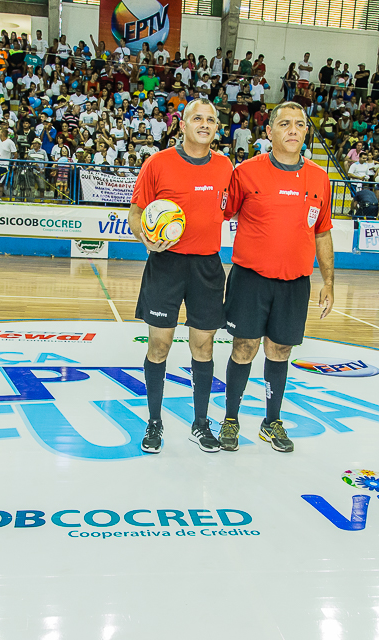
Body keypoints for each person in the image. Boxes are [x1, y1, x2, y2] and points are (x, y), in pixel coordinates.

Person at [218, 101, 335, 454]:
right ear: (269, 132)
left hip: (295, 282)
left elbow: (323, 233)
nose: (293, 130)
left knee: (280, 349)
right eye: (285, 124)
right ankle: (231, 419)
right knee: (244, 347)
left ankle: (271, 422)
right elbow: (220, 213)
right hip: (250, 279)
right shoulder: (246, 172)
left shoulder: (319, 177)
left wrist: (329, 281)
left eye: (299, 124)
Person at [127, 98, 234, 454]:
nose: (204, 124)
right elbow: (137, 211)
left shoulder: (225, 166)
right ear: (182, 125)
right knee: (160, 345)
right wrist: (147, 240)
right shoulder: (157, 163)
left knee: (203, 347)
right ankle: (154, 421)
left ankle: (200, 424)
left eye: (211, 120)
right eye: (197, 118)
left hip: (206, 267)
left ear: (217, 128)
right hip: (166, 266)